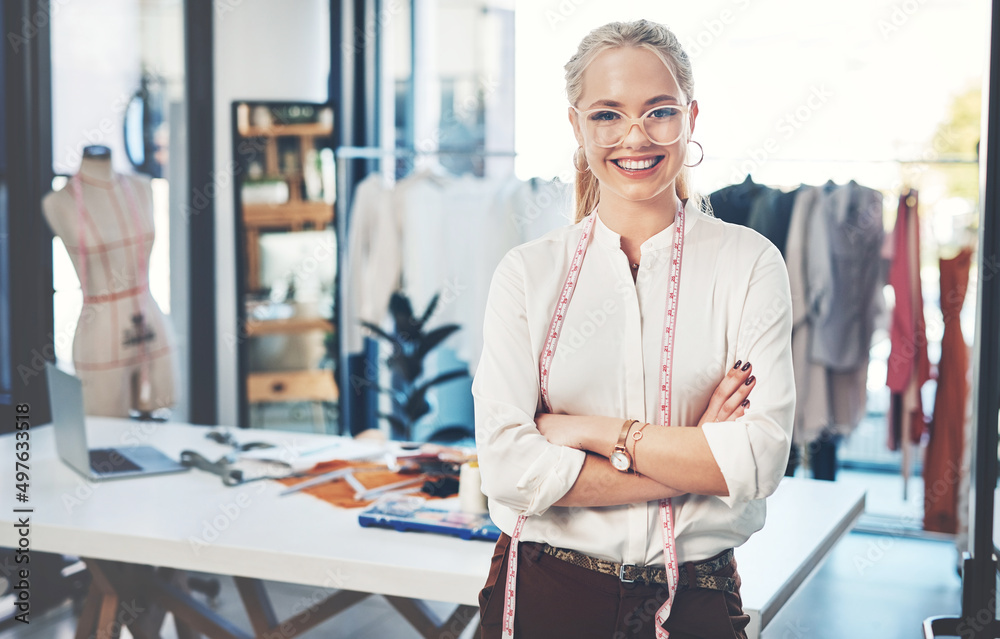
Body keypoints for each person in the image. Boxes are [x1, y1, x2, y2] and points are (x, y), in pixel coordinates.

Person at [471, 19, 795, 639]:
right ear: (576, 126)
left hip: (695, 595)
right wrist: (696, 456)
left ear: (691, 118)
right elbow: (509, 466)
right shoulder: (528, 273)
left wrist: (584, 432)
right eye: (607, 115)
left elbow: (757, 460)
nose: (634, 137)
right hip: (544, 592)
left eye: (659, 111)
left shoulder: (749, 263)